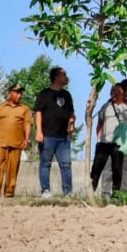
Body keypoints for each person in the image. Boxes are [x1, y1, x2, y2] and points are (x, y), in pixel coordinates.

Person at [0, 83, 33, 198]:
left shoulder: (24, 109)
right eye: (17, 92)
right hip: (0, 143)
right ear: (10, 93)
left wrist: (26, 139)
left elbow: (27, 124)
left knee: (12, 169)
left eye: (21, 93)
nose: (19, 95)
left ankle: (9, 193)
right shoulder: (0, 108)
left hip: (16, 144)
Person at [33, 66, 77, 197]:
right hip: (47, 136)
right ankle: (45, 190)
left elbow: (71, 112)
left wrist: (71, 123)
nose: (66, 77)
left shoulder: (66, 95)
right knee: (45, 163)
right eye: (63, 74)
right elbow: (38, 113)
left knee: (66, 165)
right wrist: (39, 132)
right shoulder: (44, 94)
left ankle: (68, 192)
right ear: (56, 77)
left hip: (63, 137)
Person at [89, 79, 127, 197]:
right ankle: (102, 193)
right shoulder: (106, 106)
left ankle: (119, 194)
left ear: (121, 91)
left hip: (121, 144)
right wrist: (99, 138)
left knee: (120, 169)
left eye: (116, 91)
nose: (113, 94)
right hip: (106, 142)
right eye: (112, 91)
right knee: (103, 168)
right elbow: (100, 123)